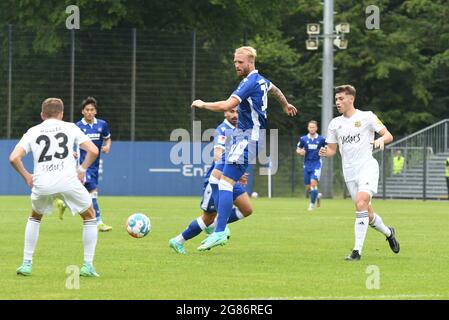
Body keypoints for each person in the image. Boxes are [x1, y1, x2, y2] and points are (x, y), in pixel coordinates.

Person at [191, 46, 297, 251]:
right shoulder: (261, 80)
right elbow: (275, 90)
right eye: (235, 62)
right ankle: (217, 228)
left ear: (250, 62)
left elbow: (226, 106)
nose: (236, 65)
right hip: (245, 138)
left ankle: (219, 231)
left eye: (240, 62)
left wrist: (203, 104)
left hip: (248, 138)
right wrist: (285, 105)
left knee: (225, 183)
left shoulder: (249, 83)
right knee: (219, 179)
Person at [10, 98, 100, 277]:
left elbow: (13, 158)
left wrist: (27, 176)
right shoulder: (70, 127)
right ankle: (88, 265)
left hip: (42, 183)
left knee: (35, 216)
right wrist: (81, 169)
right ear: (62, 114)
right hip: (68, 180)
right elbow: (94, 150)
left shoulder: (33, 131)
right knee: (89, 215)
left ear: (42, 115)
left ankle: (26, 264)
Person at [319, 85, 400, 261]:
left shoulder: (367, 117)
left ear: (351, 99)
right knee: (367, 214)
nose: (337, 102)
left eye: (341, 99)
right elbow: (332, 150)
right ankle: (388, 232)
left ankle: (356, 252)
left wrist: (380, 140)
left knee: (361, 203)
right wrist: (326, 153)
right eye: (336, 99)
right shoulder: (335, 124)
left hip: (367, 167)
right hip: (349, 173)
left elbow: (388, 135)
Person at [168, 107, 253, 254]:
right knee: (207, 218)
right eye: (231, 111)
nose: (235, 115)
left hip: (230, 179)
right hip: (216, 180)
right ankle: (178, 241)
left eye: (237, 111)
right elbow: (218, 155)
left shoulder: (241, 130)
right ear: (224, 112)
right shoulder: (222, 130)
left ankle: (217, 225)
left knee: (247, 209)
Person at [56, 97, 112, 232]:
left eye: (92, 109)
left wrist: (107, 146)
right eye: (87, 110)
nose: (90, 112)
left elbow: (107, 137)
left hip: (94, 166)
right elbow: (68, 144)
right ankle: (98, 222)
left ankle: (63, 203)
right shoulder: (77, 126)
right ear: (82, 111)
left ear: (96, 111)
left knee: (80, 193)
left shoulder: (102, 124)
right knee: (92, 192)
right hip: (82, 166)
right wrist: (71, 153)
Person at [296, 120, 326, 211]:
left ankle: (311, 206)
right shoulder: (303, 139)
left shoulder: (321, 139)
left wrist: (324, 151)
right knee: (308, 187)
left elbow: (328, 148)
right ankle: (317, 195)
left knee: (313, 184)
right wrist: (300, 152)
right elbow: (298, 149)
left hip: (317, 164)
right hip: (306, 165)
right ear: (308, 128)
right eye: (310, 127)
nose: (312, 128)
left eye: (313, 127)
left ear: (316, 128)